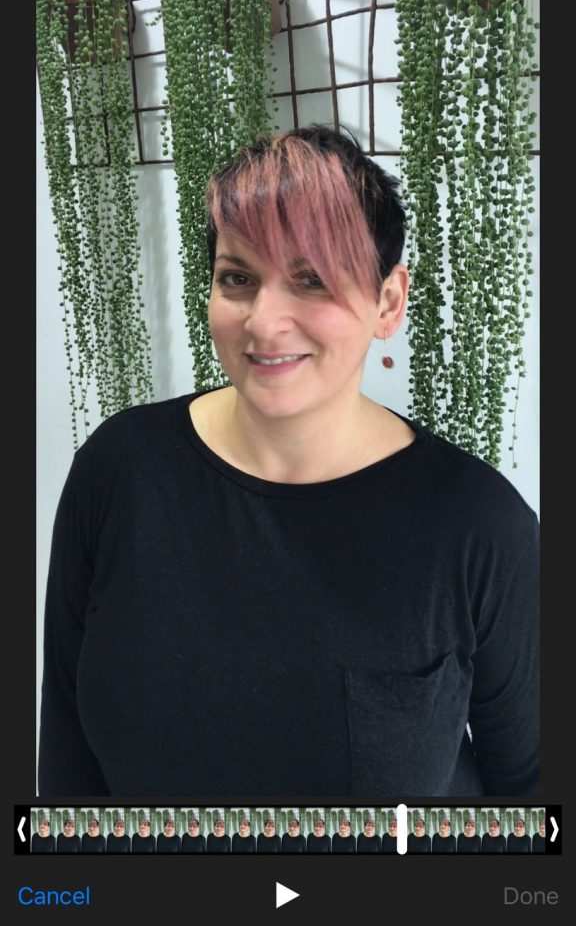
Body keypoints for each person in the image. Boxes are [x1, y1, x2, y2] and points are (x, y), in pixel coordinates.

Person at [38, 124, 539, 799]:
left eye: (311, 280)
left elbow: (531, 796)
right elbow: (67, 752)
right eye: (238, 278)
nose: (265, 322)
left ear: (388, 301)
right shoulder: (119, 470)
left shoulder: (479, 525)